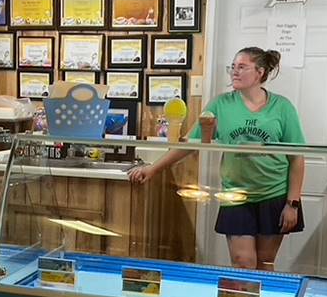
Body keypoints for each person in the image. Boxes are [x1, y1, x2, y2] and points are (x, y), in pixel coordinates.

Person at [128, 47, 305, 271]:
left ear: (260, 72)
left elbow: (297, 158)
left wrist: (293, 203)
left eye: (242, 67)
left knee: (264, 262)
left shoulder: (283, 107)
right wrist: (153, 169)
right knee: (243, 261)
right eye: (233, 67)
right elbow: (191, 145)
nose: (234, 72)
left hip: (274, 194)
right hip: (236, 195)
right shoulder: (221, 104)